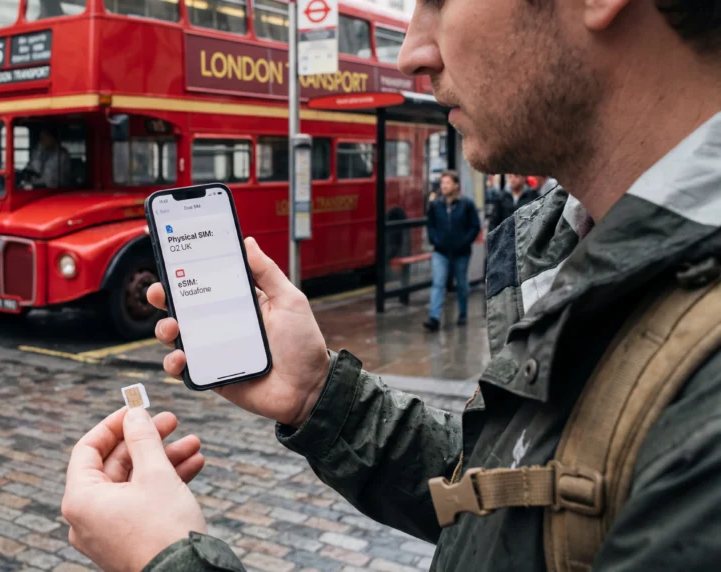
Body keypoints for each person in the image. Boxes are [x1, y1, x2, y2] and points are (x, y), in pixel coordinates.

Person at [60, 1, 721, 571]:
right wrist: (321, 397)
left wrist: (167, 556)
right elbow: (514, 497)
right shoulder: (574, 245)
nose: (409, 54)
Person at [423, 170, 480, 331]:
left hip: (461, 253)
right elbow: (431, 225)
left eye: (447, 183)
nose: (444, 186)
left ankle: (462, 312)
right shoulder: (435, 205)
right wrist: (435, 240)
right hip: (440, 252)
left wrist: (464, 242)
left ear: (456, 185)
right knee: (438, 283)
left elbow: (474, 226)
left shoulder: (466, 204)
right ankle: (434, 317)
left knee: (461, 284)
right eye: (442, 183)